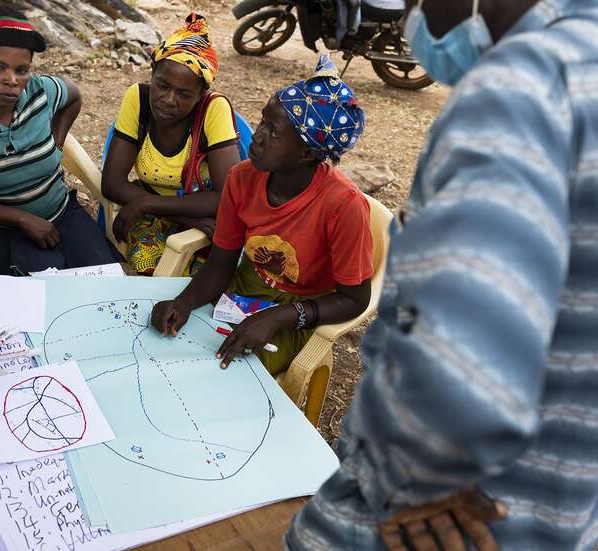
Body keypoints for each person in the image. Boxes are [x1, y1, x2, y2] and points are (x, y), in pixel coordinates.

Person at [287, 0, 598, 550]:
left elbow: (464, 374)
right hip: (567, 513)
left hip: (447, 521)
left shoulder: (526, 86)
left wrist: (405, 480)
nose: (410, 18)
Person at [151, 56, 371, 374]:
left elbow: (355, 299)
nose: (257, 136)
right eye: (262, 121)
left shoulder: (344, 206)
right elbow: (221, 264)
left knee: (233, 373)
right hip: (247, 285)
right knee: (176, 354)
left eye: (273, 131)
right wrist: (183, 303)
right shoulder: (242, 178)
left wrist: (278, 317)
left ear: (308, 153)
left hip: (305, 307)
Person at [0, 5, 122, 275]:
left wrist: (57, 140)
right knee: (40, 294)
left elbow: (74, 97)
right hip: (4, 227)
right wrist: (20, 219)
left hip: (62, 212)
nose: (11, 80)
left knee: (104, 280)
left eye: (22, 70)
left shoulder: (40, 90)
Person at [102, 13, 243, 275]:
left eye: (184, 94)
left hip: (203, 225)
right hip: (183, 217)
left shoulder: (214, 109)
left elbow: (226, 197)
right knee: (144, 276)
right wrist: (182, 216)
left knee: (203, 288)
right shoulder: (139, 99)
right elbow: (111, 184)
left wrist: (146, 204)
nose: (168, 100)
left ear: (201, 95)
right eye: (162, 85)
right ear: (152, 74)